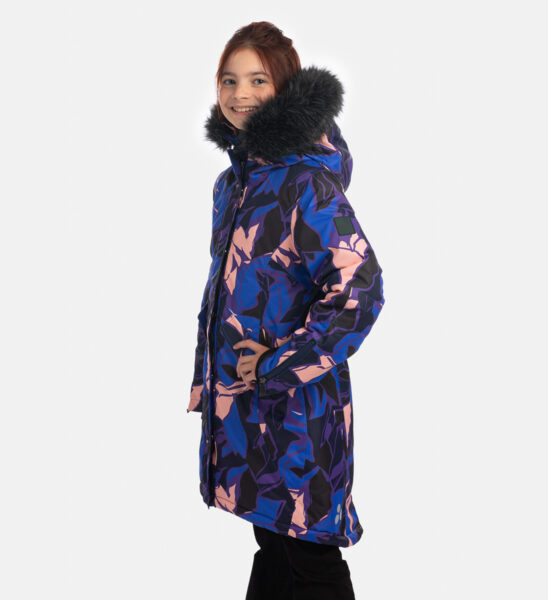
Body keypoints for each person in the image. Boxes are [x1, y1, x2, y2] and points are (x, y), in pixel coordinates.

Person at [187, 21, 385, 600]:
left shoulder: (305, 184)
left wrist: (281, 363)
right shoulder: (234, 185)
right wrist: (212, 381)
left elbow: (360, 288)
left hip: (300, 412)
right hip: (247, 407)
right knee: (273, 545)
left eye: (258, 79)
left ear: (285, 87)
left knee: (310, 557)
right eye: (229, 79)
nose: (240, 93)